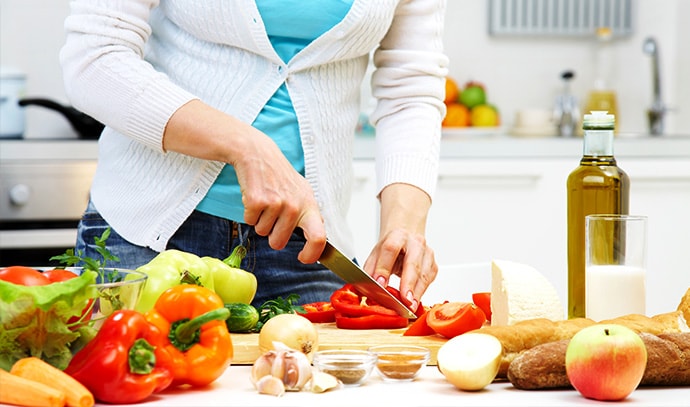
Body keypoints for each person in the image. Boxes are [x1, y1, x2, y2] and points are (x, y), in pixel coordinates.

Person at [60, 0, 448, 311]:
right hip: (147, 235)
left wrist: (405, 223)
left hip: (306, 245)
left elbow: (411, 89)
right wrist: (249, 147)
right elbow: (96, 58)